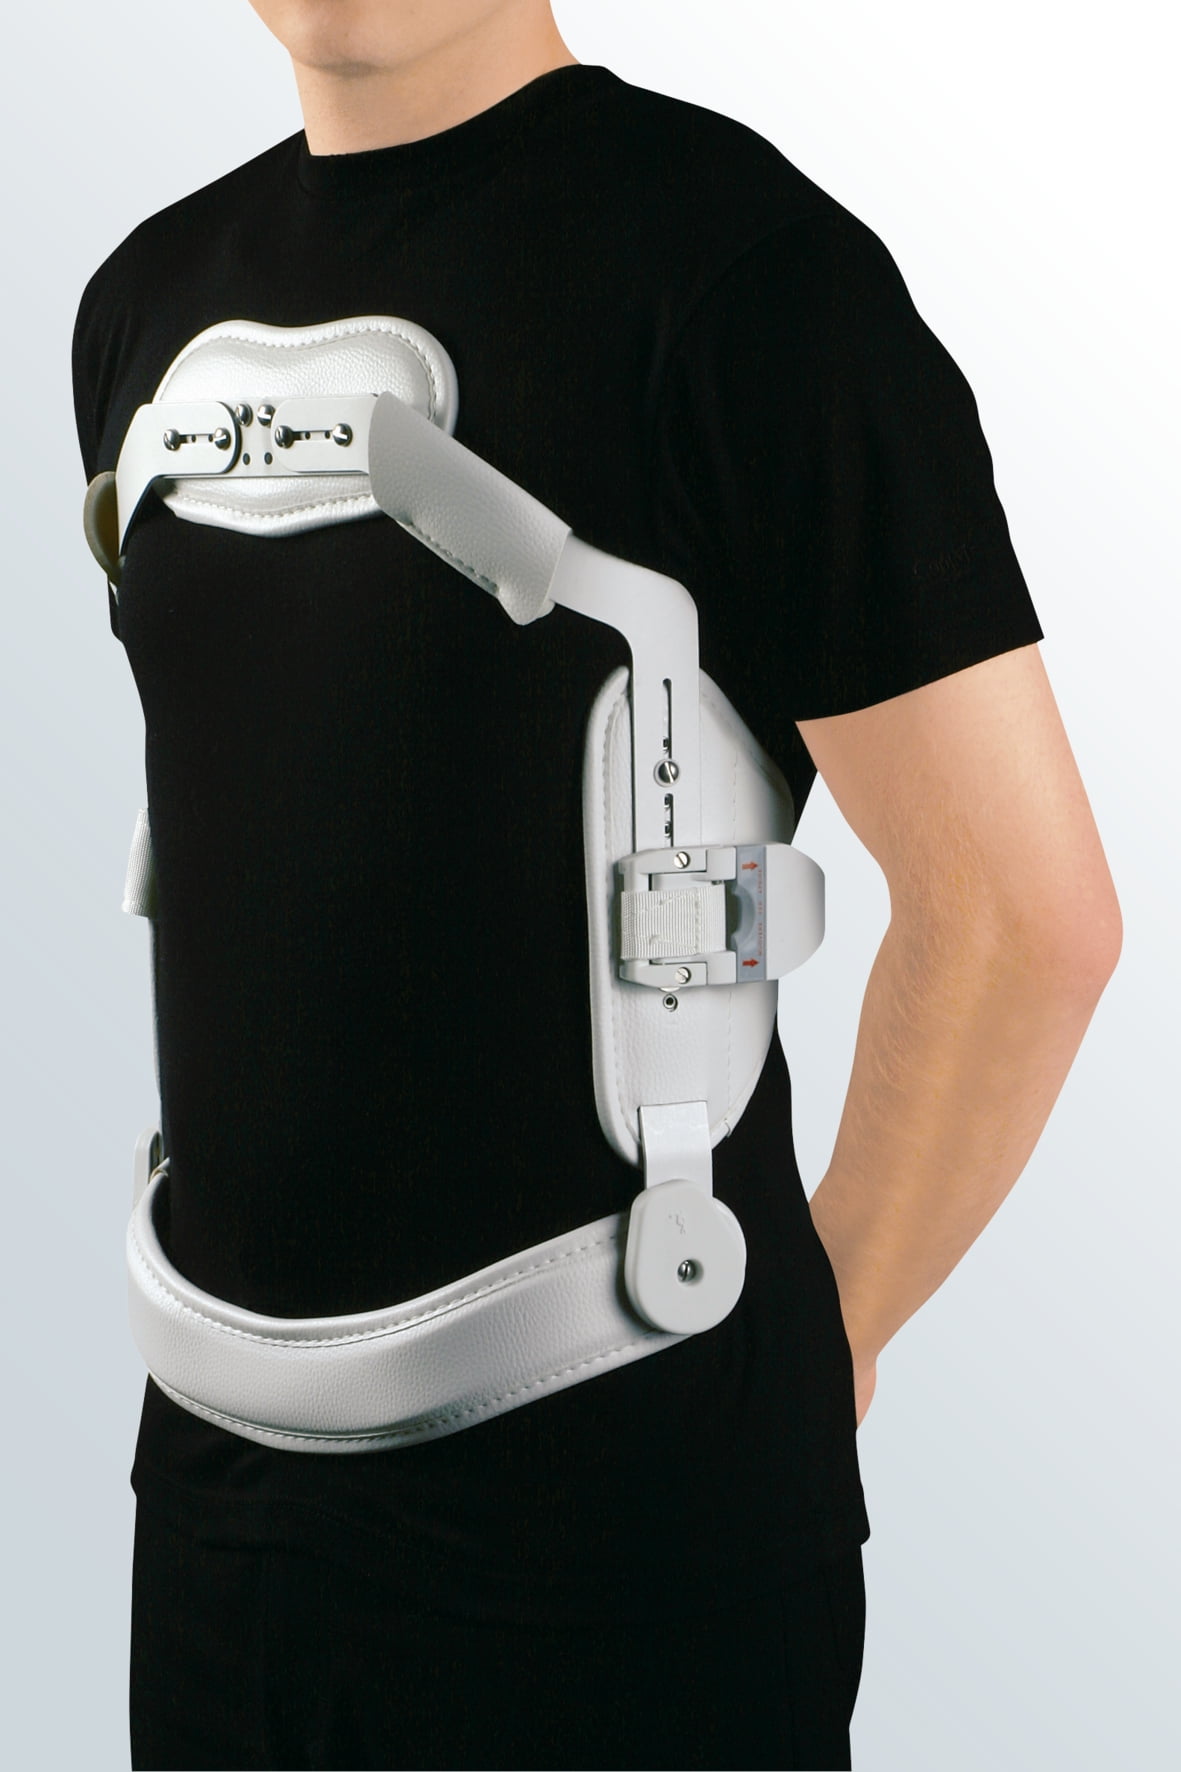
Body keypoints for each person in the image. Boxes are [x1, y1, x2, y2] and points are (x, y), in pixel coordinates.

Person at [70, 3, 1121, 1767]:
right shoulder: (146, 305)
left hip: (629, 1529)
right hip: (213, 1515)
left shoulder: (748, 276)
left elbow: (1022, 919)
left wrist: (815, 1340)